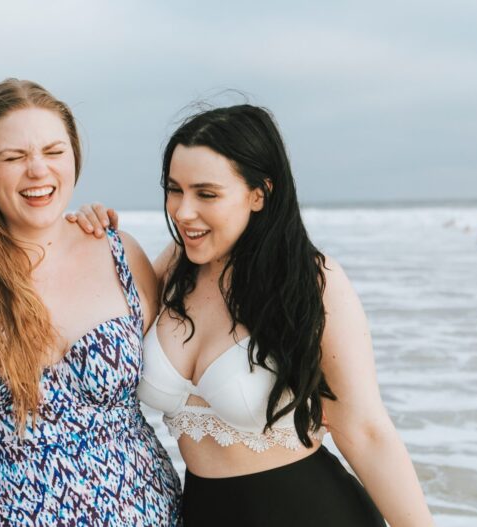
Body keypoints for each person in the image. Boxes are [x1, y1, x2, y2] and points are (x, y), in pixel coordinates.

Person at [68, 105, 435, 526]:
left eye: (206, 193)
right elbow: (91, 330)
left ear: (258, 194)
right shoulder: (172, 269)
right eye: (174, 189)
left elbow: (367, 433)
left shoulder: (311, 282)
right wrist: (84, 240)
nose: (183, 211)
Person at [0, 79, 182, 525]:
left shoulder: (121, 253)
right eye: (14, 157)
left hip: (139, 508)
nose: (38, 170)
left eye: (54, 153)